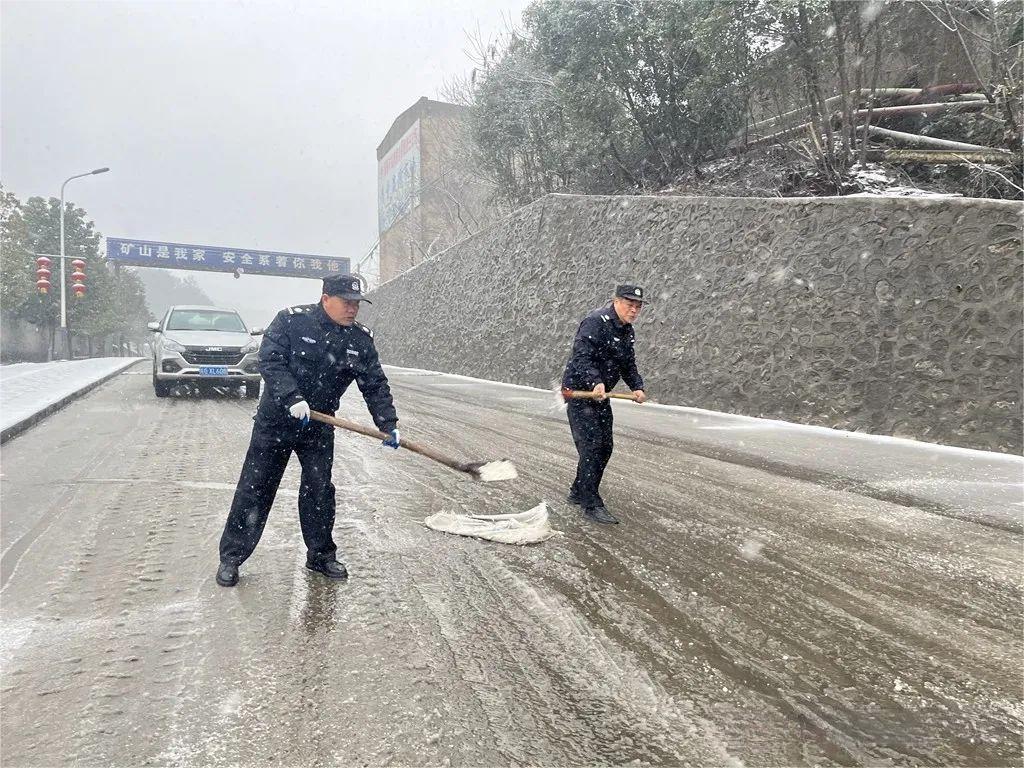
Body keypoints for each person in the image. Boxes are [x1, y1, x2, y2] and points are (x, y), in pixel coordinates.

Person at [216, 274, 400, 586]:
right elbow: (271, 362)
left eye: (356, 303)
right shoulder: (291, 322)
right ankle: (231, 558)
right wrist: (292, 397)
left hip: (319, 425)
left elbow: (375, 384)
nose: (352, 309)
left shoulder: (359, 340)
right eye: (346, 302)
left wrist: (388, 424)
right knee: (256, 487)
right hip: (276, 421)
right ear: (325, 298)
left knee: (319, 490)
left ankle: (320, 556)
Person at [561, 284, 648, 525]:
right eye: (630, 304)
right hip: (580, 394)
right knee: (591, 446)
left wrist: (636, 386)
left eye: (638, 306)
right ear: (616, 301)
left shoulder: (626, 330)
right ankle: (591, 502)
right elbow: (581, 355)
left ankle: (579, 490)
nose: (634, 310)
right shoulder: (595, 322)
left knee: (605, 446)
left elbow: (628, 364)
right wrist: (594, 381)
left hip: (601, 396)